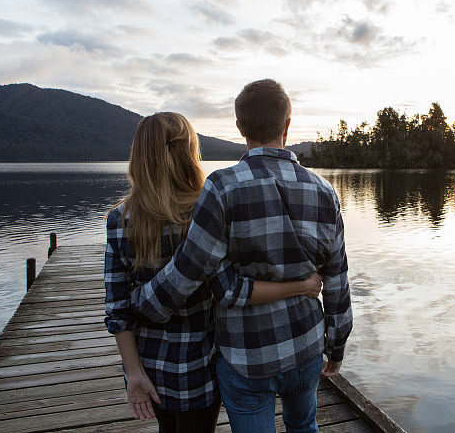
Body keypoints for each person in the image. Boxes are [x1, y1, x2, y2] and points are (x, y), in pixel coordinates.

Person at [132, 79, 353, 433]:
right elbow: (337, 281)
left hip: (246, 357)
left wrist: (143, 303)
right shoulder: (324, 192)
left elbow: (190, 270)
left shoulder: (221, 187)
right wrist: (337, 346)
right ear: (287, 125)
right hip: (306, 347)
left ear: (240, 127)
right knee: (304, 425)